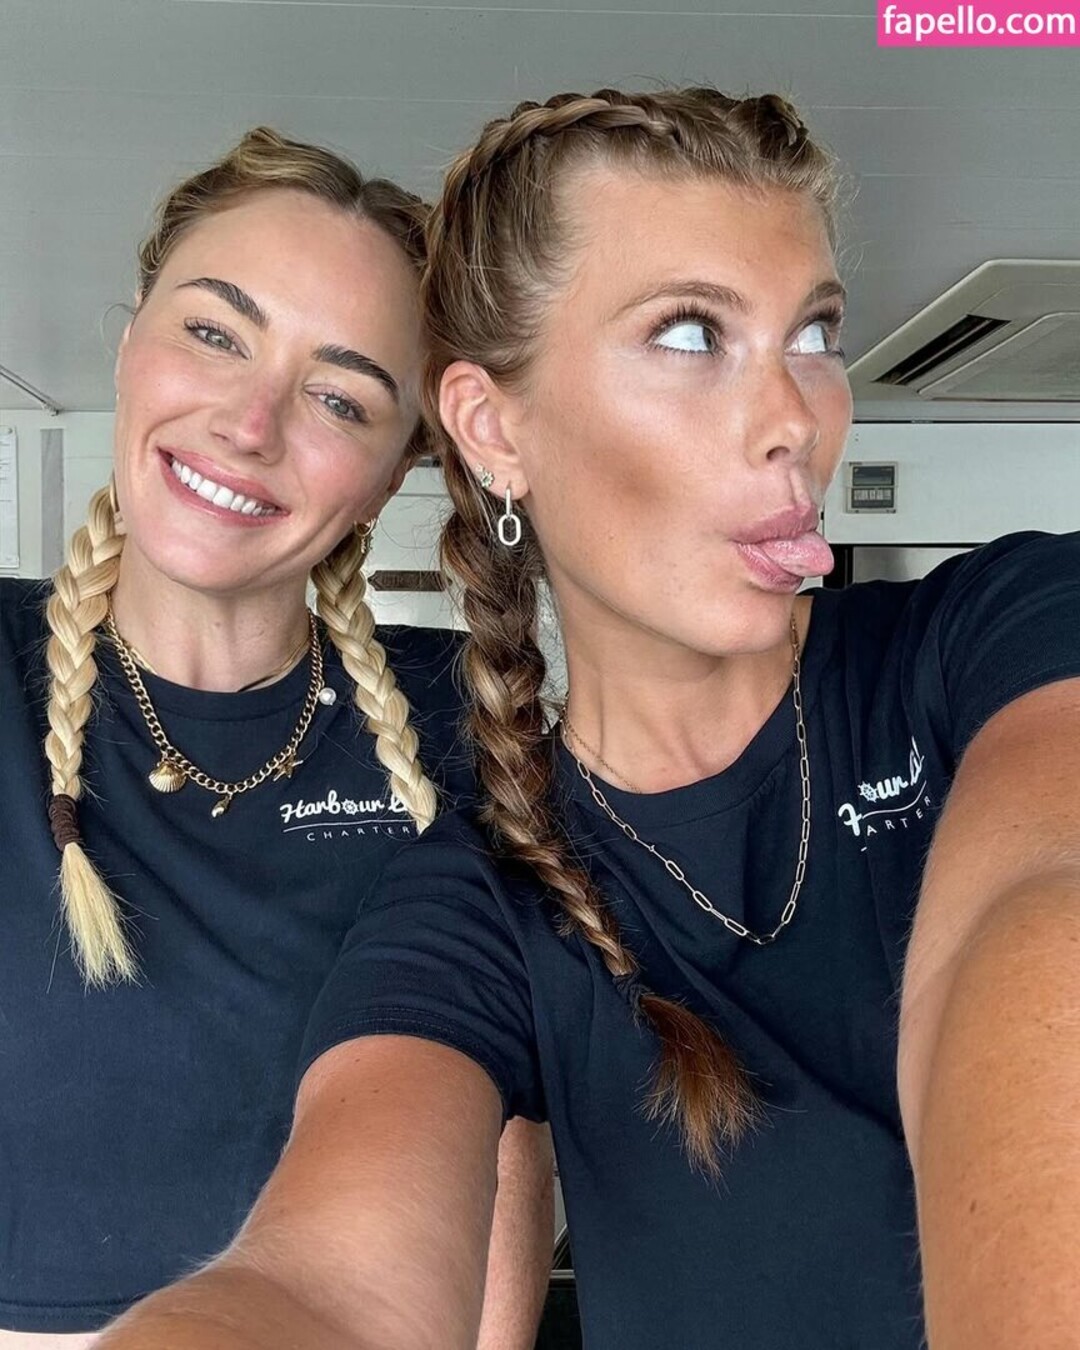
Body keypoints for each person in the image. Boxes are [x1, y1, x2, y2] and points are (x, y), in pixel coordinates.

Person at [97, 87, 1080, 1350]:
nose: (798, 419)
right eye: (690, 333)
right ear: (492, 427)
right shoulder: (478, 903)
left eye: (815, 333)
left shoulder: (1007, 630)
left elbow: (1044, 898)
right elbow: (324, 1286)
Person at [0, 128, 552, 1349]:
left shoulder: (462, 724)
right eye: (214, 333)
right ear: (131, 340)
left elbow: (505, 1144)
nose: (250, 424)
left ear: (399, 466)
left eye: (340, 397)